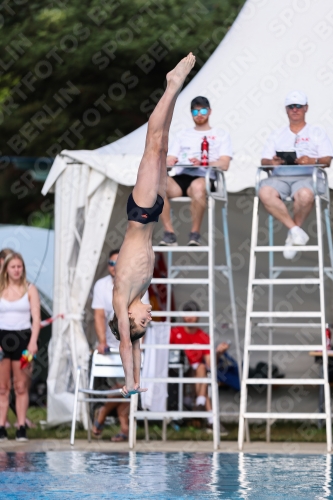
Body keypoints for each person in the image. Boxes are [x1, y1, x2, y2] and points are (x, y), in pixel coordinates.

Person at [110, 53, 196, 397]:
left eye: (144, 320)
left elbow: (127, 346)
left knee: (153, 143)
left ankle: (171, 85)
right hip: (155, 211)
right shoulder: (140, 294)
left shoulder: (121, 299)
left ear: (128, 319)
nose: (150, 316)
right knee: (163, 147)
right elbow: (138, 343)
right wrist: (141, 381)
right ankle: (174, 90)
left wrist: (130, 382)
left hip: (141, 212)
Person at [259, 90, 333, 259]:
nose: (295, 110)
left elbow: (327, 160)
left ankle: (293, 236)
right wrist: (273, 162)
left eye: (298, 106)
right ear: (286, 109)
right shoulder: (277, 133)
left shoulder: (317, 132)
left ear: (306, 108)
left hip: (308, 177)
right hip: (281, 176)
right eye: (291, 106)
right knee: (264, 192)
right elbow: (264, 160)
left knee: (305, 195)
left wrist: (311, 161)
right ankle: (295, 231)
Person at [159, 95, 232, 246]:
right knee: (156, 185)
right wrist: (171, 161)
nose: (199, 114)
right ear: (191, 113)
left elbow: (224, 164)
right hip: (182, 176)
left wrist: (203, 162)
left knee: (198, 186)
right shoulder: (182, 134)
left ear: (210, 111)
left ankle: (195, 233)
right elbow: (168, 159)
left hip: (206, 176)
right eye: (195, 111)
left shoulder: (221, 135)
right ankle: (169, 233)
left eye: (203, 110)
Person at [91, 249, 149, 441]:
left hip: (129, 336)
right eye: (111, 263)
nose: (114, 267)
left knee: (125, 382)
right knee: (125, 383)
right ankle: (122, 426)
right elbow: (98, 315)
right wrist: (102, 341)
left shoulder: (135, 286)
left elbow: (141, 321)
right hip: (116, 340)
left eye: (118, 263)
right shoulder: (104, 286)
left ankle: (107, 415)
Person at [169, 300, 229, 433]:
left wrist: (218, 353)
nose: (189, 317)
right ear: (182, 315)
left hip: (197, 374)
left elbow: (210, 365)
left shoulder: (204, 336)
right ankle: (208, 416)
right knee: (202, 374)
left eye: (193, 314)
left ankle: (201, 404)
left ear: (198, 316)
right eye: (187, 314)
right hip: (178, 372)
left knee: (202, 368)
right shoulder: (174, 332)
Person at [0, 252, 40, 441]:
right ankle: (1, 425)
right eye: (13, 267)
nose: (16, 270)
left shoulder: (30, 289)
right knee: (2, 387)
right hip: (2, 339)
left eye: (19, 266)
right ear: (6, 269)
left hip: (24, 340)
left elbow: (37, 318)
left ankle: (21, 425)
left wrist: (33, 342)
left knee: (21, 385)